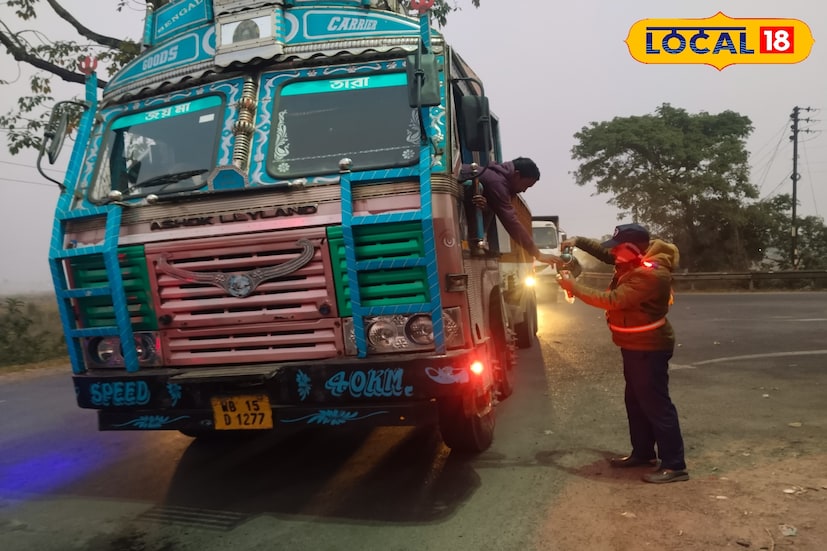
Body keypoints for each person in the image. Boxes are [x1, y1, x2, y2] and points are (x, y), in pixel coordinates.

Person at [556, 223, 688, 484]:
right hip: (634, 345)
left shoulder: (651, 275)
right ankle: (643, 453)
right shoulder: (633, 260)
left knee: (656, 405)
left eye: (617, 249)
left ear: (631, 248)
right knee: (635, 402)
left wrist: (573, 286)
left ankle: (675, 465)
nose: (613, 254)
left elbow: (613, 300)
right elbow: (604, 254)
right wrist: (578, 240)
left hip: (649, 347)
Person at [459, 157, 560, 266]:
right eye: (525, 185)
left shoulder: (496, 179)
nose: (524, 190)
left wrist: (486, 207)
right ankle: (475, 244)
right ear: (516, 175)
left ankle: (477, 244)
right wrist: (537, 254)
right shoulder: (497, 182)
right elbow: (511, 221)